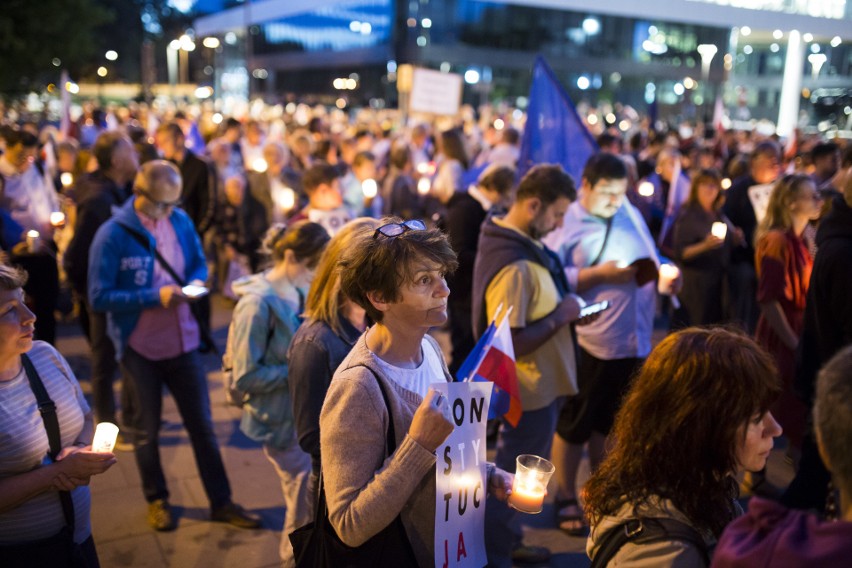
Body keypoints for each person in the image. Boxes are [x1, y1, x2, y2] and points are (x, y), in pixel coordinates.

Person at [319, 217, 513, 567]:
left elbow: (445, 447)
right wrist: (417, 445)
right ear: (379, 298)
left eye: (441, 275)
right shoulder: (358, 387)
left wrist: (489, 473)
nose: (445, 290)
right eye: (424, 280)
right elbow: (348, 524)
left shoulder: (430, 347)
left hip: (448, 551)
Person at [87, 160, 260, 532]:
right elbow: (99, 296)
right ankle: (157, 499)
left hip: (184, 341)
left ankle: (221, 501)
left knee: (203, 427)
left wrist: (195, 286)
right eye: (162, 204)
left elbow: (199, 264)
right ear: (139, 192)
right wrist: (154, 296)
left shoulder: (179, 221)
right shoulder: (113, 234)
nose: (169, 211)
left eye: (173, 203)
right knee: (147, 431)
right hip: (140, 347)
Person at [544, 153, 676, 537]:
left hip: (634, 339)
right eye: (607, 192)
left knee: (612, 421)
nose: (615, 201)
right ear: (585, 184)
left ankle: (599, 488)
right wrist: (598, 274)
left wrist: (667, 278)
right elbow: (549, 275)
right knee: (576, 421)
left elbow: (650, 258)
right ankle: (564, 494)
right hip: (592, 340)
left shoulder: (628, 212)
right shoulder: (566, 221)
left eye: (621, 192)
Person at [584, 327, 783, 567]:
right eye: (755, 418)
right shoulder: (664, 553)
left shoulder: (694, 487)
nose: (775, 429)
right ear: (700, 428)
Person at [472, 164, 584, 566]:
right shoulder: (515, 264)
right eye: (555, 215)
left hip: (538, 385)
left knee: (518, 473)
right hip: (528, 389)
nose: (557, 225)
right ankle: (498, 551)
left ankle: (506, 540)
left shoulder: (516, 245)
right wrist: (563, 315)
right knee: (513, 476)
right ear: (533, 205)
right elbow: (510, 340)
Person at [0, 263, 116, 567]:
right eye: (9, 310)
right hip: (22, 554)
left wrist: (80, 450)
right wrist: (55, 475)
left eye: (24, 300)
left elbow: (85, 417)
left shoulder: (44, 355)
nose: (30, 316)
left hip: (79, 537)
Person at [229, 220, 329, 567]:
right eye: (315, 266)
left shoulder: (298, 289)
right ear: (291, 256)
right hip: (281, 422)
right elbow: (245, 375)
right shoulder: (257, 304)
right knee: (302, 509)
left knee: (307, 501)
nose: (319, 275)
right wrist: (301, 368)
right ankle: (292, 561)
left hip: (299, 414)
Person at [713, 344, 852, 567]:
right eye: (757, 416)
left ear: (824, 448)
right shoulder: (673, 543)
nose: (777, 429)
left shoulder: (756, 548)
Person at [287, 218, 379, 504]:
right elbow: (310, 437)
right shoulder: (313, 343)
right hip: (338, 489)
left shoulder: (374, 323)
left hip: (377, 479)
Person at [784, 171, 852, 511]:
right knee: (816, 475)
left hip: (828, 375)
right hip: (833, 381)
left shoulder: (836, 243)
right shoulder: (842, 253)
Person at [63, 131, 139, 432]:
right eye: (131, 151)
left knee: (121, 357)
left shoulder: (116, 190)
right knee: (105, 361)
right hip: (104, 292)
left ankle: (133, 416)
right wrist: (86, 292)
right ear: (118, 160)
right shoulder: (99, 200)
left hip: (117, 289)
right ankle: (108, 425)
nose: (137, 156)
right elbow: (77, 254)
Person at [752, 174, 822, 469]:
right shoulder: (778, 241)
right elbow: (768, 300)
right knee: (778, 404)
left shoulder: (804, 238)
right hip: (782, 334)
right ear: (792, 203)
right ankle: (757, 477)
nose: (819, 201)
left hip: (798, 327)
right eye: (812, 196)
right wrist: (794, 344)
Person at [0, 126, 61, 344]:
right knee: (20, 308)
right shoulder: (2, 175)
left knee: (47, 304)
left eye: (31, 154)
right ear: (8, 148)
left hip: (44, 246)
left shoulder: (37, 168)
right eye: (21, 154)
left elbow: (49, 197)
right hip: (18, 253)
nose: (26, 160)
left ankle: (48, 350)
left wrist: (56, 217)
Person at [723, 141, 782, 332]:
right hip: (745, 257)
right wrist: (734, 235)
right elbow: (726, 219)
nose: (775, 166)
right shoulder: (738, 190)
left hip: (773, 256)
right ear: (755, 163)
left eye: (777, 161)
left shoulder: (781, 190)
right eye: (770, 162)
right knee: (746, 285)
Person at [671, 169, 739, 327]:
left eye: (714, 185)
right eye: (705, 185)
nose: (710, 189)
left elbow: (726, 244)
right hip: (696, 284)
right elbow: (681, 252)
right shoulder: (688, 215)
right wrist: (704, 245)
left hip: (717, 283)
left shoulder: (719, 214)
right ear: (696, 188)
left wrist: (734, 239)